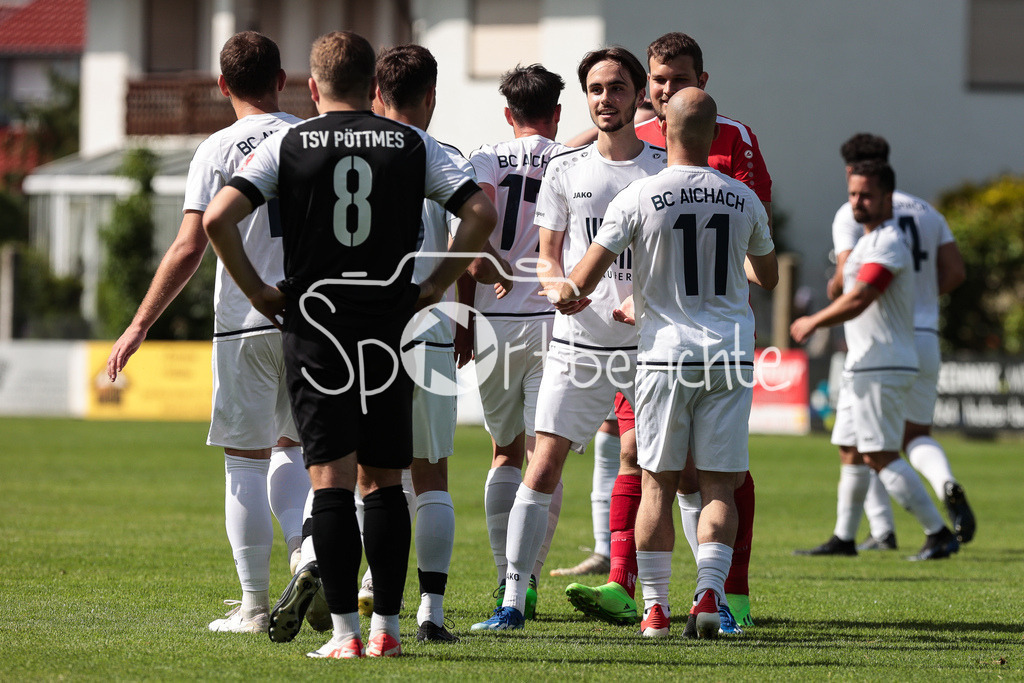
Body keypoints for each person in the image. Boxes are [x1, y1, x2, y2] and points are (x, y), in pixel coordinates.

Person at [202, 31, 496, 659]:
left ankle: (344, 636)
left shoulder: (289, 141)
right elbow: (480, 215)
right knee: (387, 480)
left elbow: (216, 219)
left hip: (319, 323)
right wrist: (432, 284)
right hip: (390, 322)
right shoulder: (413, 143)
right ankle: (389, 629)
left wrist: (256, 290)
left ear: (311, 88)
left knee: (330, 480)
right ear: (372, 87)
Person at [548, 87, 776, 639]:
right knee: (720, 487)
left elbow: (585, 276)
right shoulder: (744, 199)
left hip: (664, 357)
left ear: (666, 129)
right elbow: (766, 276)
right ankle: (709, 597)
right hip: (727, 354)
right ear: (713, 133)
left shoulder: (639, 196)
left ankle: (653, 608)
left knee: (657, 484)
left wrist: (564, 288)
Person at [105, 31, 310, 635]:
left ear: (223, 86)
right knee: (295, 449)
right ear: (282, 80)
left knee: (245, 461)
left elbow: (191, 245)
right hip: (310, 318)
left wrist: (140, 323)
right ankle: (307, 553)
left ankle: (252, 606)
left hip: (245, 319)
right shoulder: (309, 139)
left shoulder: (217, 149)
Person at [470, 46, 665, 632]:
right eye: (597, 89)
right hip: (576, 343)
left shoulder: (661, 169)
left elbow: (671, 262)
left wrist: (645, 299)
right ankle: (512, 599)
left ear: (640, 96)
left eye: (618, 88)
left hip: (646, 345)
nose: (606, 99)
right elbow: (548, 257)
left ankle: (655, 603)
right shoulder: (565, 168)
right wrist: (556, 287)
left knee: (659, 468)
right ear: (585, 98)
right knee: (542, 464)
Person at [791, 159, 960, 562]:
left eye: (867, 195)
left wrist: (814, 320)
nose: (858, 202)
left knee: (881, 455)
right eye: (853, 194)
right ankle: (844, 537)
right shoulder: (866, 242)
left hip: (883, 363)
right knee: (850, 447)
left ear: (888, 198)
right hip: (864, 361)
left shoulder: (889, 241)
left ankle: (938, 533)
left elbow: (862, 297)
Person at [827, 133, 974, 552]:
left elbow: (847, 282)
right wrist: (920, 299)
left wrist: (830, 302)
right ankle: (940, 485)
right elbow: (956, 272)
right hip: (924, 334)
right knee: (907, 436)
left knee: (877, 447)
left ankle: (906, 531)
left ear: (854, 170)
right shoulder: (928, 210)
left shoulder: (852, 212)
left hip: (880, 339)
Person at [459, 63, 568, 617]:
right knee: (543, 457)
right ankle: (522, 581)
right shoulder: (573, 162)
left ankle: (505, 576)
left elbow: (468, 242)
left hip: (494, 321)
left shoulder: (482, 159)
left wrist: (461, 317)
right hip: (557, 320)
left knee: (504, 452)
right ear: (555, 112)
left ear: (508, 114)